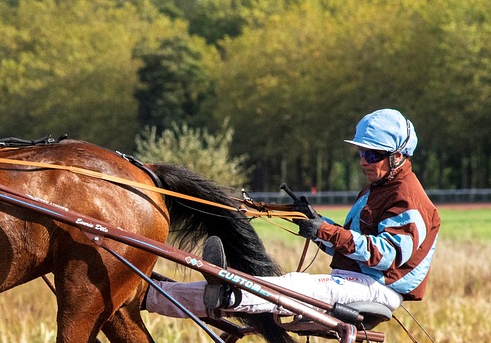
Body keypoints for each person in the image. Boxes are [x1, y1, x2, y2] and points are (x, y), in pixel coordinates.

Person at [145, 108, 441, 319]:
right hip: (356, 281)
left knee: (291, 285)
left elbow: (386, 256)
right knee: (261, 285)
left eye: (372, 155)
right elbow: (349, 246)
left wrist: (326, 231)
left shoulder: (407, 199)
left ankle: (230, 294)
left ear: (398, 156)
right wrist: (312, 222)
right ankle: (153, 296)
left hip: (377, 289)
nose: (364, 161)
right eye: (361, 153)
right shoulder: (378, 187)